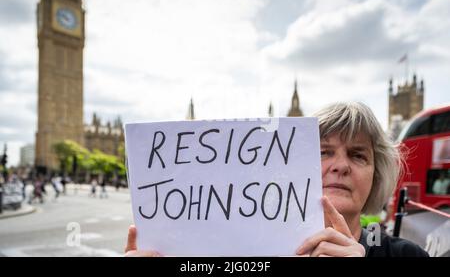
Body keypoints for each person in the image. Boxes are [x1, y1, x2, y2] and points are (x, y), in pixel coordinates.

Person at [124, 102, 429, 257]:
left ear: (377, 174)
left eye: (358, 155)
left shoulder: (406, 255)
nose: (340, 166)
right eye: (324, 152)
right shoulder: (250, 253)